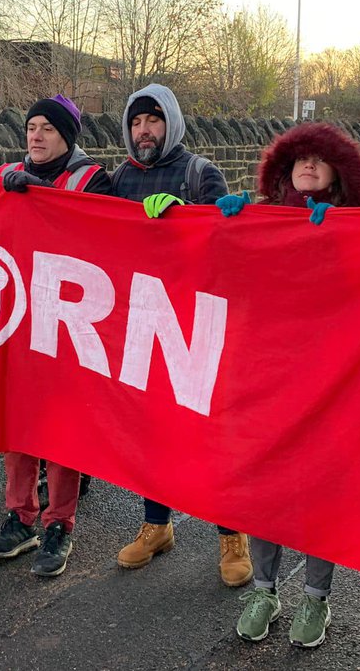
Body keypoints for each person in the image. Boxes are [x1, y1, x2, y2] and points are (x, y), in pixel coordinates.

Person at [216, 122, 360, 647]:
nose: (307, 166)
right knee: (266, 488)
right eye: (298, 159)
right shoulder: (261, 217)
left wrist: (343, 237)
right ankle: (264, 590)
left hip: (332, 379)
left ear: (339, 169)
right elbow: (225, 276)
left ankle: (316, 598)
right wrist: (208, 224)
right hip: (268, 375)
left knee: (318, 493)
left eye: (318, 158)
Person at [109, 83, 254, 588]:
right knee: (153, 435)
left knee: (211, 437)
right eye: (135, 122)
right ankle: (157, 525)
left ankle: (231, 537)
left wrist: (188, 217)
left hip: (195, 327)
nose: (143, 131)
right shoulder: (120, 176)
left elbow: (226, 240)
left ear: (170, 123)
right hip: (142, 323)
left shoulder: (200, 172)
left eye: (152, 121)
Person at [0, 94, 111, 578]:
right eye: (30, 128)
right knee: (19, 422)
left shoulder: (92, 179)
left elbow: (106, 235)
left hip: (69, 323)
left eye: (46, 129)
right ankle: (21, 516)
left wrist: (45, 197)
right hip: (21, 319)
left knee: (62, 428)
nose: (35, 136)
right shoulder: (9, 173)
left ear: (67, 136)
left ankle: (60, 522)